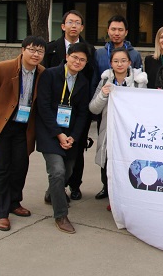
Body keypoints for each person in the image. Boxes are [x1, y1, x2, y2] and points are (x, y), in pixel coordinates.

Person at [0, 36, 46, 232]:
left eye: (40, 51)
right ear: (23, 50)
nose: (36, 54)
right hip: (1, 126)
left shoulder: (42, 73)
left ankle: (14, 202)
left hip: (23, 128)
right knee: (0, 169)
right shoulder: (2, 68)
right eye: (32, 49)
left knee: (20, 167)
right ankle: (0, 213)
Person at [36, 43, 90, 234]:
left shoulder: (83, 81)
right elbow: (43, 107)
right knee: (57, 171)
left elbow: (83, 113)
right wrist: (59, 134)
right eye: (75, 57)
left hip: (71, 135)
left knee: (67, 172)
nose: (78, 62)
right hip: (50, 132)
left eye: (82, 60)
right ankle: (61, 216)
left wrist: (73, 137)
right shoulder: (50, 75)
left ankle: (51, 194)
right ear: (67, 56)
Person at [43, 10, 96, 201]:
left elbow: (91, 77)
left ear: (82, 27)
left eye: (78, 22)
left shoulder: (90, 50)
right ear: (63, 26)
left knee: (76, 152)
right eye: (70, 22)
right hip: (54, 110)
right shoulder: (51, 48)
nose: (74, 26)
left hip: (78, 109)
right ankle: (57, 190)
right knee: (56, 159)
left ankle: (74, 185)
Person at [90, 47, 148, 204]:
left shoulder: (139, 82)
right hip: (109, 130)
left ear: (129, 62)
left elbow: (144, 108)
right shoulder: (105, 81)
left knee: (128, 163)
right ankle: (107, 188)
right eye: (116, 61)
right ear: (111, 63)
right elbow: (93, 108)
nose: (120, 64)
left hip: (129, 132)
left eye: (123, 61)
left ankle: (126, 194)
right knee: (107, 160)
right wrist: (103, 95)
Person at [93, 14, 142, 200]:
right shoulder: (99, 54)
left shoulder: (135, 54)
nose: (116, 33)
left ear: (126, 32)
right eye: (113, 29)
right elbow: (94, 81)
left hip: (128, 118)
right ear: (108, 31)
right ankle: (106, 186)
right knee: (106, 148)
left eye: (120, 29)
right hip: (105, 109)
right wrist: (100, 97)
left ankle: (125, 188)